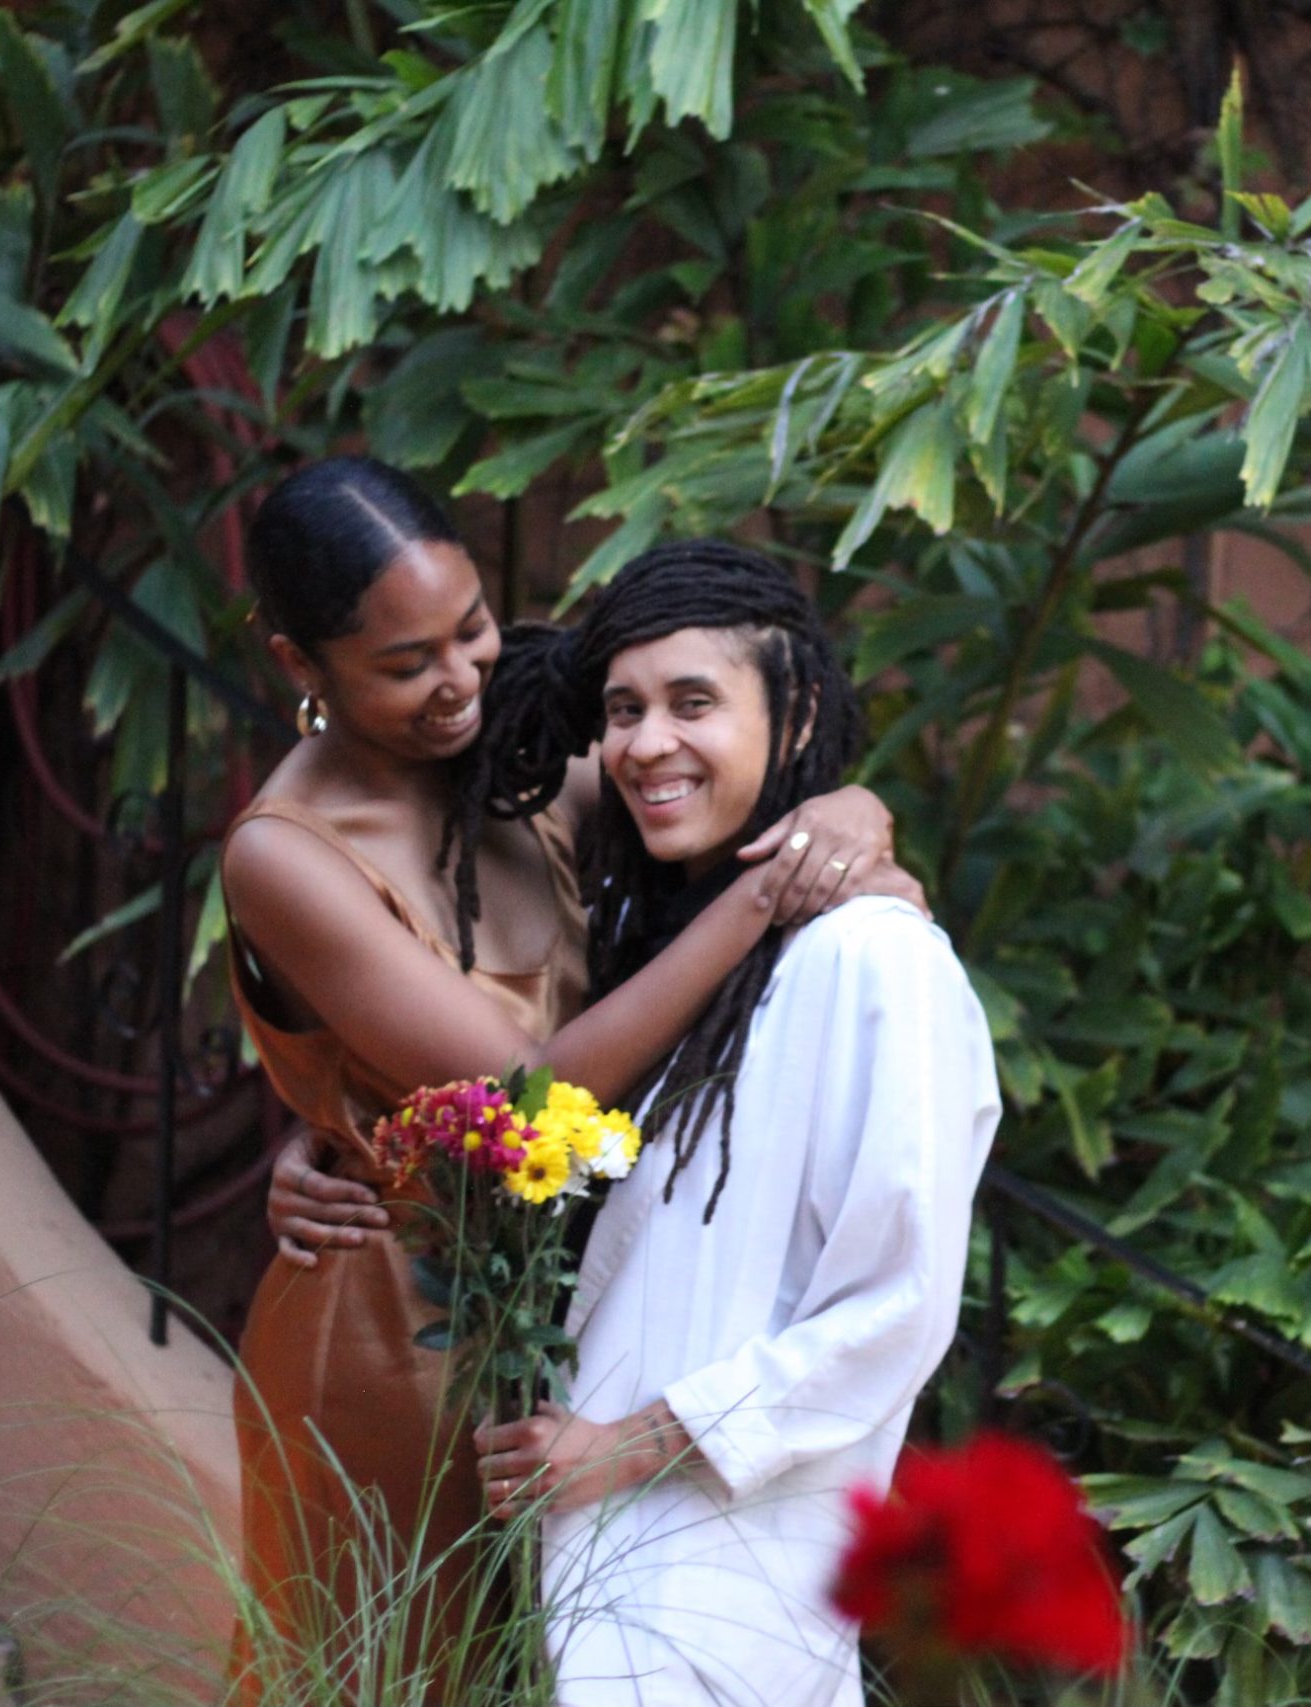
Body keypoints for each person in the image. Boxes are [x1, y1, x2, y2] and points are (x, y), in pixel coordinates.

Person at [220, 462, 920, 1701]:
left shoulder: (520, 751)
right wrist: (773, 893)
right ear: (300, 668)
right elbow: (527, 1096)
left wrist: (849, 810)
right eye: (405, 663)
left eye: (473, 629)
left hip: (573, 1305)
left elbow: (705, 798)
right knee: (396, 1672)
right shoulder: (285, 855)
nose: (462, 682)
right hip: (396, 1332)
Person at [467, 540, 1000, 1707]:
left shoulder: (874, 960)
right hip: (612, 1576)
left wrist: (627, 1447)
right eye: (623, 710)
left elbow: (894, 1310)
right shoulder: (658, 941)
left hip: (730, 1579)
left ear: (797, 706)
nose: (647, 741)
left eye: (691, 702)